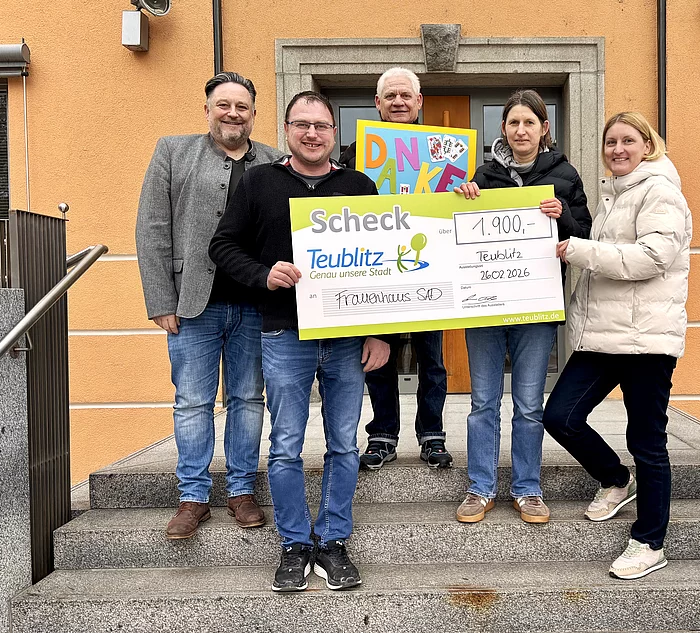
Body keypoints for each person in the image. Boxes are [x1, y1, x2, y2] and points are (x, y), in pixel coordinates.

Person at [209, 91, 389, 592]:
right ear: (287, 129)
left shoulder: (359, 185)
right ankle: (294, 543)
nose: (312, 133)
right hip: (284, 332)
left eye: (322, 126)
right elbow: (221, 245)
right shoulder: (259, 182)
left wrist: (379, 331)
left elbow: (382, 263)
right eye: (301, 124)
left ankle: (332, 540)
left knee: (343, 443)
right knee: (286, 444)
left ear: (334, 132)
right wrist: (263, 274)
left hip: (348, 337)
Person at [542, 111, 692, 580]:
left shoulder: (661, 192)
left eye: (629, 141)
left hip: (646, 340)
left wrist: (580, 249)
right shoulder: (616, 194)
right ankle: (614, 478)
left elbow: (652, 257)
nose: (618, 149)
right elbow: (608, 255)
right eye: (611, 142)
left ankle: (649, 542)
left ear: (648, 146)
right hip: (604, 335)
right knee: (560, 416)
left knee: (646, 442)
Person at [136, 72, 282, 540]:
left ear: (254, 115)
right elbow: (152, 228)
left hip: (258, 307)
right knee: (192, 402)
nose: (233, 113)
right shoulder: (173, 152)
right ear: (207, 110)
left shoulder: (276, 160)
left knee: (247, 399)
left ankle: (240, 490)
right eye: (224, 105)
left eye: (242, 106)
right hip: (193, 304)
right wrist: (160, 299)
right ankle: (193, 497)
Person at [453, 89, 592, 524]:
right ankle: (480, 488)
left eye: (529, 122)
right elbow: (457, 229)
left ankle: (528, 489)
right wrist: (463, 197)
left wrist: (563, 215)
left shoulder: (565, 175)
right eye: (513, 123)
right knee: (482, 401)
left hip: (536, 309)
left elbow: (585, 234)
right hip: (486, 306)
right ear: (504, 130)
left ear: (544, 128)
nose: (521, 130)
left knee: (529, 403)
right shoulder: (483, 174)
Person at [338, 67, 452, 470]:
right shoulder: (353, 155)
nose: (399, 102)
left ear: (419, 102)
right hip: (375, 269)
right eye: (391, 97)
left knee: (432, 359)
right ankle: (383, 435)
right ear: (378, 104)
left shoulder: (444, 152)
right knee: (377, 357)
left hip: (428, 266)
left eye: (406, 96)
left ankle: (432, 434)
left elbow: (459, 207)